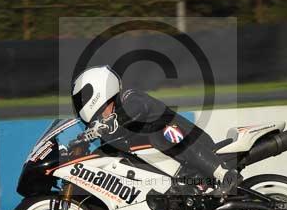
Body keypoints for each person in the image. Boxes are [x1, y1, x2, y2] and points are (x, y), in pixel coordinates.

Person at [71, 65, 242, 198]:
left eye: (84, 98)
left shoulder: (129, 97)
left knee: (161, 131)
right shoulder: (110, 132)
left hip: (194, 145)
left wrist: (106, 127)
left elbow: (139, 109)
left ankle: (225, 174)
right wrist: (80, 153)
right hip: (174, 175)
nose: (99, 119)